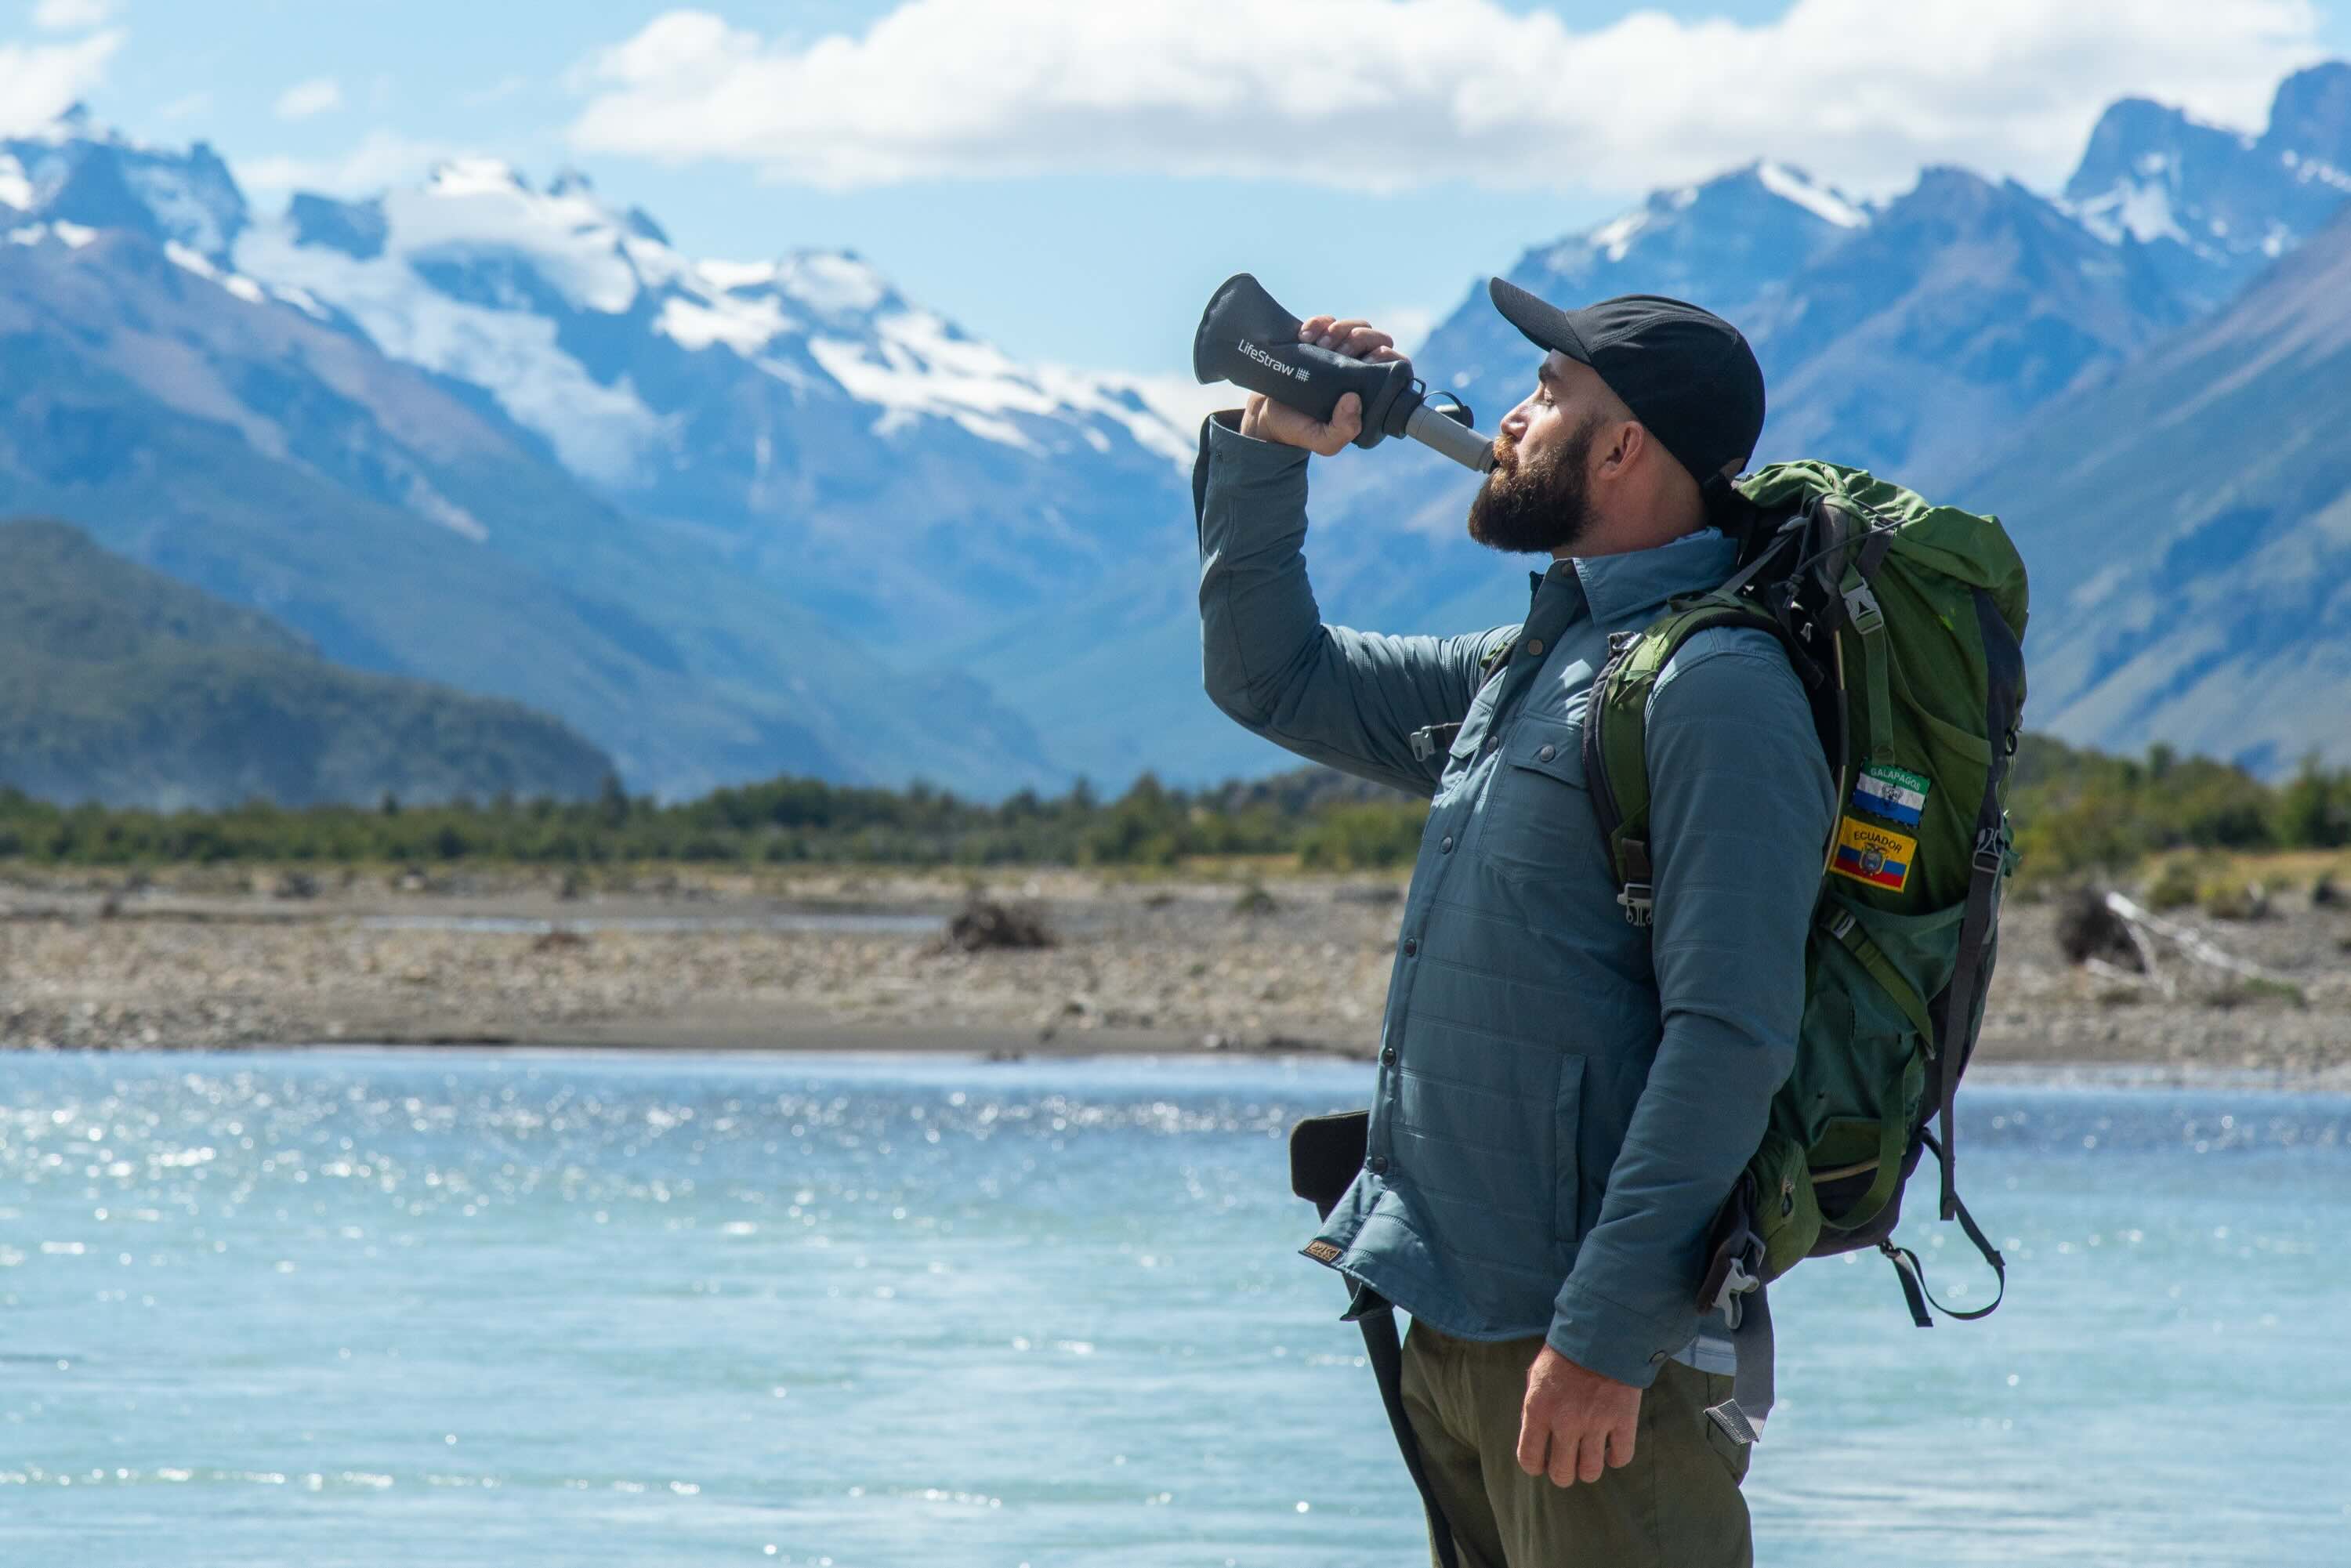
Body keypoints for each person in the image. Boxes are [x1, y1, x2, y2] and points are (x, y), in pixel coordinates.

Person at [1191, 280, 1835, 1567]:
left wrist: (1600, 1335)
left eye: (1550, 397)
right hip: (1453, 1321)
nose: (1512, 420)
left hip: (1592, 1360)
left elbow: (1730, 1037)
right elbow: (1273, 676)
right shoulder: (1532, 664)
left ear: (1621, 449)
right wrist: (1269, 442)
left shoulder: (1717, 691)